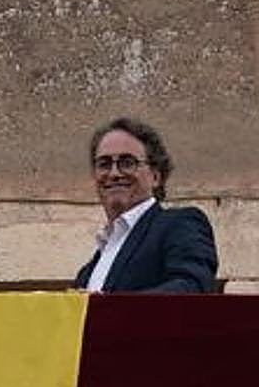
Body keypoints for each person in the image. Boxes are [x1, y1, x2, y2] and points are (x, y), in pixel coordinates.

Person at [75, 117, 218, 293]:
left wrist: (110, 307)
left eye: (127, 163)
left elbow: (192, 287)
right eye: (104, 164)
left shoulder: (179, 225)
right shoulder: (87, 272)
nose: (114, 173)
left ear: (155, 176)